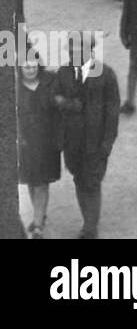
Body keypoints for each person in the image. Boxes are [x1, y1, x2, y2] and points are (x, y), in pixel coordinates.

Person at [53, 34, 120, 239]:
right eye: (71, 49)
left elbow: (112, 111)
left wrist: (108, 142)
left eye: (79, 49)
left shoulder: (105, 74)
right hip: (71, 141)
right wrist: (66, 103)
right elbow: (54, 97)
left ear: (90, 50)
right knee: (79, 179)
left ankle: (90, 228)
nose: (74, 53)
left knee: (91, 182)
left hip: (95, 141)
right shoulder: (63, 72)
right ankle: (87, 223)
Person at [18, 55, 61, 239]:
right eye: (26, 67)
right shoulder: (15, 88)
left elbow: (59, 112)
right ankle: (39, 215)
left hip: (47, 142)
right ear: (20, 69)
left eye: (34, 66)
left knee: (42, 183)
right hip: (25, 143)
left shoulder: (50, 83)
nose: (31, 70)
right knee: (30, 181)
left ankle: (37, 226)